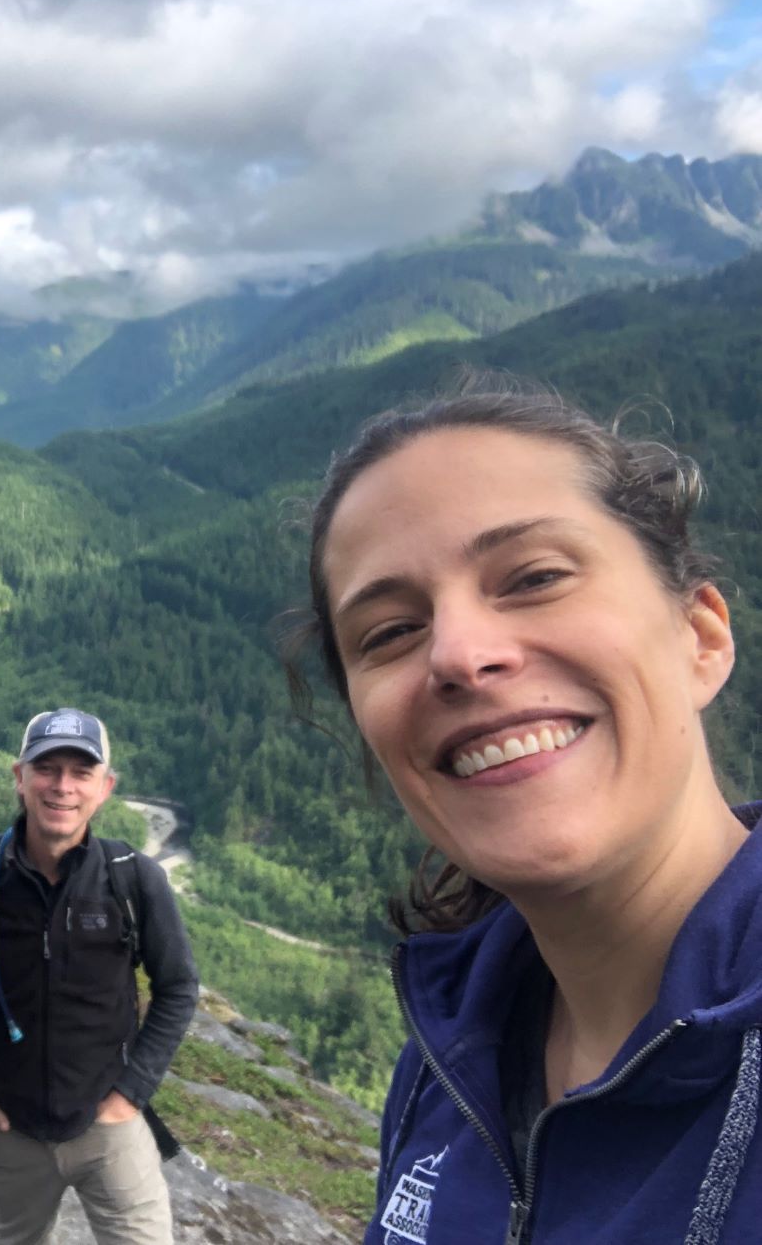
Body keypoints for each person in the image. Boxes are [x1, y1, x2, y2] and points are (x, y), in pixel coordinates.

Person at [291, 380, 762, 1244]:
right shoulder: (448, 1057)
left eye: (536, 577)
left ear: (700, 637)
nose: (459, 654)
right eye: (389, 632)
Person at [0, 708, 196, 1245]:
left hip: (110, 1129)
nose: (63, 786)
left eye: (81, 772)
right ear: (20, 777)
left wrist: (131, 1093)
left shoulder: (132, 879)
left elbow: (178, 987)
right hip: (8, 1131)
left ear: (105, 788)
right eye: (47, 768)